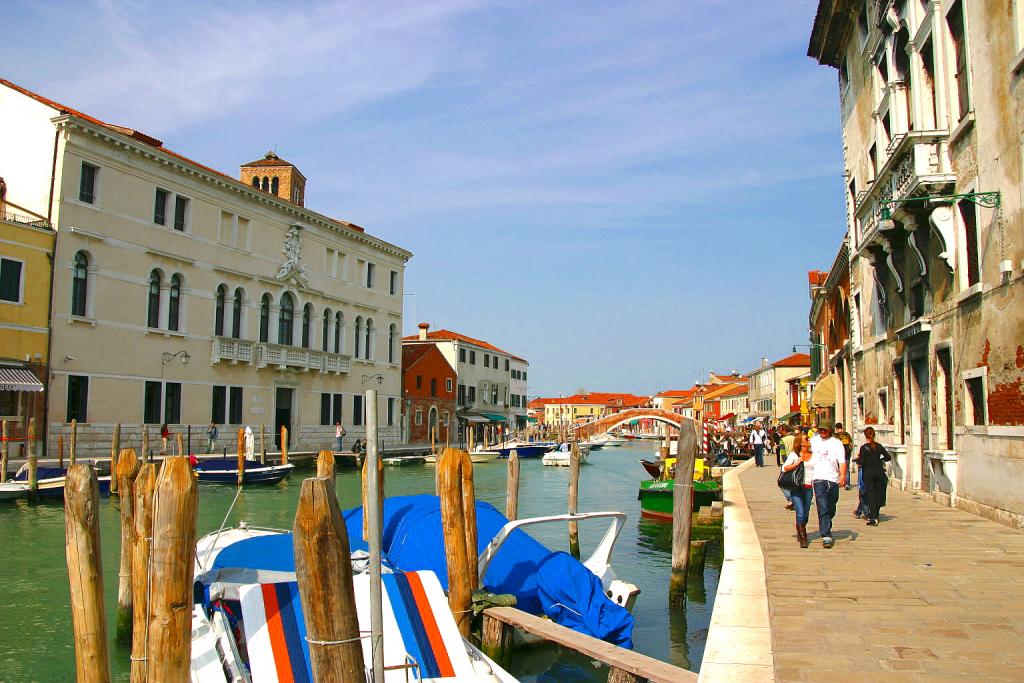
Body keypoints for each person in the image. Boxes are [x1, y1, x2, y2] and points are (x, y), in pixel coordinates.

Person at [809, 421, 847, 548]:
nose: (822, 432)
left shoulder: (836, 443)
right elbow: (804, 452)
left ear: (830, 430)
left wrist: (842, 475)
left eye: (825, 430)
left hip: (833, 478)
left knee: (831, 507)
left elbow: (842, 460)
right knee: (823, 507)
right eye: (820, 430)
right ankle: (826, 535)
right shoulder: (813, 441)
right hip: (818, 478)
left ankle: (826, 523)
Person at [781, 433, 814, 547]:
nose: (808, 440)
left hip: (809, 486)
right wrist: (797, 463)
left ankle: (800, 528)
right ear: (800, 442)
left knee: (806, 513)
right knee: (800, 513)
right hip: (797, 487)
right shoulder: (794, 455)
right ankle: (803, 537)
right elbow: (784, 468)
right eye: (806, 439)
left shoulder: (812, 455)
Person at [856, 427, 891, 525]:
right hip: (879, 472)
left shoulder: (864, 448)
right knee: (878, 494)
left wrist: (858, 461)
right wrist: (880, 460)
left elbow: (862, 461)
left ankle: (873, 517)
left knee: (871, 495)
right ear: (874, 434)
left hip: (868, 473)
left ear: (865, 436)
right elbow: (888, 457)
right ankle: (875, 514)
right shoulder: (879, 446)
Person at [835, 422, 853, 490]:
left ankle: (840, 482)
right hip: (847, 453)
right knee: (847, 469)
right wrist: (849, 452)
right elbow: (851, 444)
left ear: (836, 428)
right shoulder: (847, 434)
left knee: (839, 468)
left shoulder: (836, 435)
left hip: (839, 454)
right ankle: (847, 484)